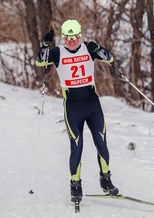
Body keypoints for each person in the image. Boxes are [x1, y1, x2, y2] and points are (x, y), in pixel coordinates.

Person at [35, 19, 119, 204]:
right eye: (67, 37)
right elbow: (40, 62)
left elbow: (110, 58)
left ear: (79, 35)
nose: (71, 40)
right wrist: (45, 45)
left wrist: (98, 47)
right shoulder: (57, 53)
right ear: (63, 37)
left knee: (101, 142)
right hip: (72, 106)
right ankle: (75, 185)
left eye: (74, 36)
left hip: (92, 104)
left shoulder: (88, 49)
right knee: (77, 145)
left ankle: (105, 180)